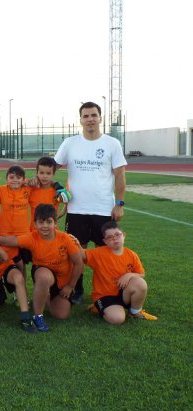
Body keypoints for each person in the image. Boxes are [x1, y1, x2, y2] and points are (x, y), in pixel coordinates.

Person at [54, 101, 127, 303]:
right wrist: (54, 186)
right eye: (86, 116)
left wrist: (119, 203)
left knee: (106, 251)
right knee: (76, 252)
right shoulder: (70, 143)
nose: (90, 119)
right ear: (80, 120)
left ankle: (107, 289)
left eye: (93, 115)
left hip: (103, 208)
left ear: (100, 118)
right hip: (77, 208)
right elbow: (53, 168)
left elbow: (120, 174)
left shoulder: (112, 144)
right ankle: (76, 289)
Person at [0, 204, 83, 332]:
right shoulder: (32, 237)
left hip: (62, 281)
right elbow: (8, 241)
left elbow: (78, 263)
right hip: (43, 273)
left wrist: (70, 286)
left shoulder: (65, 239)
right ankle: (37, 316)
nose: (45, 226)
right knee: (44, 277)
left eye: (49, 222)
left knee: (61, 315)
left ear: (55, 223)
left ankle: (44, 296)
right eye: (41, 222)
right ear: (35, 224)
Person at [82, 221, 157, 324]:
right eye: (110, 237)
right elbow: (81, 254)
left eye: (117, 235)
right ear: (105, 241)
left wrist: (129, 275)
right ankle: (98, 306)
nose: (114, 238)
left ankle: (135, 312)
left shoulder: (131, 254)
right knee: (117, 319)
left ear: (124, 235)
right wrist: (74, 243)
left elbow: (141, 274)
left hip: (123, 294)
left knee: (140, 283)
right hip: (105, 296)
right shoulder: (99, 253)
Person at [28, 156, 68, 231]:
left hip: (52, 233)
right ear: (37, 173)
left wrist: (59, 215)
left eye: (48, 173)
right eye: (41, 173)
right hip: (34, 232)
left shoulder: (57, 191)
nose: (44, 176)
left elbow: (67, 202)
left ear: (54, 173)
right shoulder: (31, 189)